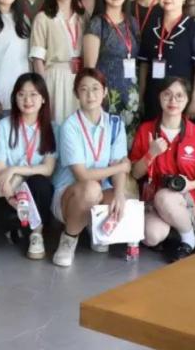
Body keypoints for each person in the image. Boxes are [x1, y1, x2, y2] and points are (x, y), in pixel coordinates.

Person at [51, 69, 134, 267]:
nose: (90, 95)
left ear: (104, 92)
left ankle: (93, 229)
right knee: (91, 189)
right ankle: (69, 238)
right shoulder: (70, 126)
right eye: (84, 89)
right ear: (76, 94)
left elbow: (119, 164)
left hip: (99, 191)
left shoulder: (115, 124)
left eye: (96, 89)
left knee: (120, 198)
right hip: (69, 196)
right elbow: (82, 175)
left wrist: (119, 193)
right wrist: (120, 167)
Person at [129, 76, 195, 261]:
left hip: (186, 196)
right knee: (151, 236)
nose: (173, 101)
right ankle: (175, 229)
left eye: (179, 96)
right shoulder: (146, 130)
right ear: (159, 97)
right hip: (152, 197)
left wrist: (188, 185)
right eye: (167, 95)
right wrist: (151, 154)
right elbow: (135, 174)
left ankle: (189, 239)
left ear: (188, 99)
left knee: (165, 197)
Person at [0, 73, 56, 260]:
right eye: (21, 94)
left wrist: (14, 169)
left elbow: (48, 169)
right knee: (0, 209)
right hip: (10, 190)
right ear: (15, 97)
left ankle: (36, 233)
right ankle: (20, 228)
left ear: (43, 98)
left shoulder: (51, 128)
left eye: (33, 94)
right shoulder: (3, 127)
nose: (27, 100)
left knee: (39, 182)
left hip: (37, 192)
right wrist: (12, 198)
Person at [138, 0, 195, 123]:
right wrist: (140, 96)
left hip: (180, 99)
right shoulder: (151, 27)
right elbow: (144, 66)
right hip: (154, 96)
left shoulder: (193, 29)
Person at [82, 0, 140, 131]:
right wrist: (96, 95)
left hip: (131, 94)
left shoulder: (132, 22)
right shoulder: (97, 23)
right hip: (107, 95)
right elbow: (90, 69)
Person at [30, 0, 86, 125]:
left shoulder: (83, 17)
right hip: (55, 78)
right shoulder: (43, 18)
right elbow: (37, 59)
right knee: (56, 125)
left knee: (78, 126)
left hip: (80, 77)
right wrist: (42, 89)